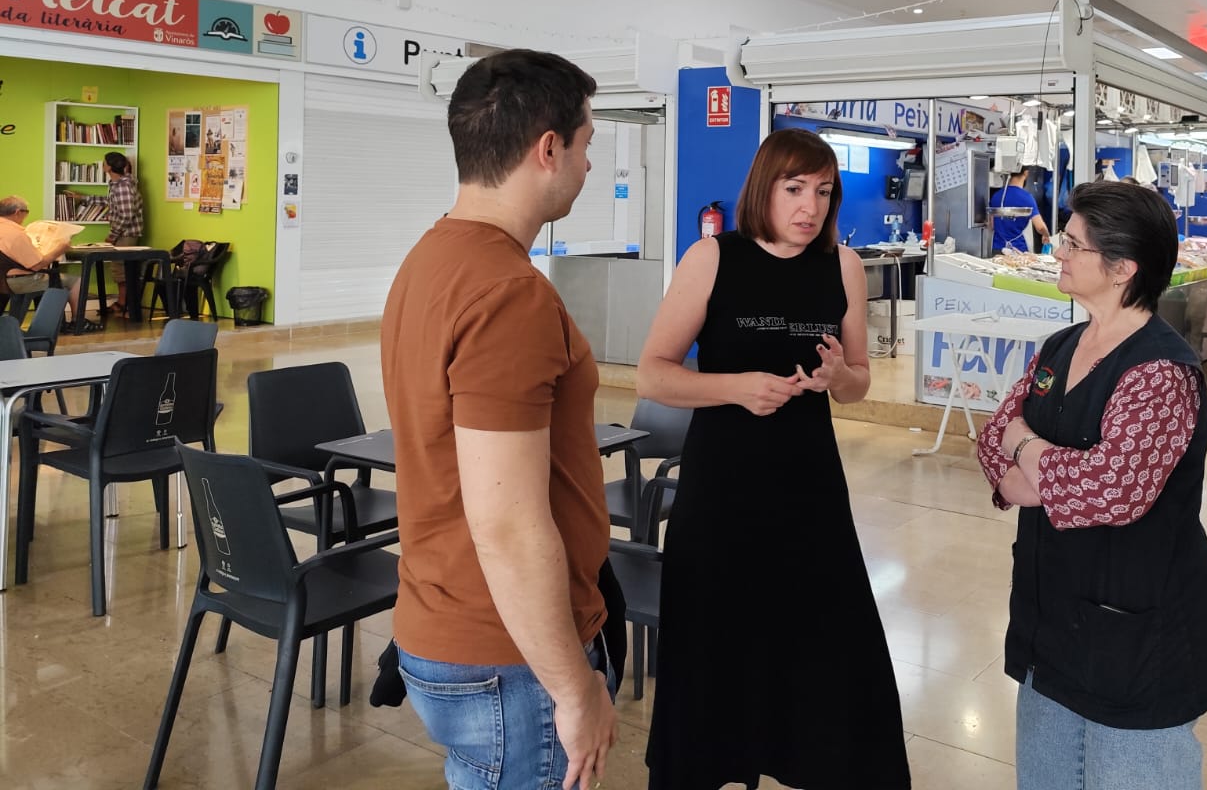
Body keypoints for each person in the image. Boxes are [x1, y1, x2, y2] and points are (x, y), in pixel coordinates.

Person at [636, 128, 911, 790]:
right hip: (723, 483)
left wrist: (836, 377)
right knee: (718, 635)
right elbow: (652, 374)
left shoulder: (841, 266)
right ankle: (717, 761)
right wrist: (736, 388)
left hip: (808, 481)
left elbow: (859, 380)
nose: (809, 207)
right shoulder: (712, 258)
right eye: (794, 190)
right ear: (765, 189)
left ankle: (807, 757)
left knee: (826, 638)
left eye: (822, 192)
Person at [381, 50, 618, 790]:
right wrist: (572, 687)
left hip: (445, 621)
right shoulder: (509, 292)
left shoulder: (430, 257)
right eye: (586, 146)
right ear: (548, 149)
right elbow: (509, 523)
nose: (587, 166)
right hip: (506, 657)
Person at [978, 181, 1207, 790]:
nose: (1058, 252)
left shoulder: (1160, 373)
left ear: (1122, 268)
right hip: (1052, 623)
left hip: (1140, 639)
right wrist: (1046, 465)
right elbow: (993, 437)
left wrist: (1029, 449)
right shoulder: (1060, 348)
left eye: (1072, 243)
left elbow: (1113, 489)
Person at [0, 197, 78, 323]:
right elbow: (37, 265)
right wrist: (61, 248)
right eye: (26, 212)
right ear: (17, 212)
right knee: (74, 281)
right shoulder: (16, 234)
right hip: (17, 281)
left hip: (4, 280)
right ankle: (77, 322)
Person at [104, 153, 145, 315]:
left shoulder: (122, 187)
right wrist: (86, 198)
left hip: (125, 234)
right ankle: (123, 304)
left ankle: (126, 305)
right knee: (120, 269)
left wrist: (113, 235)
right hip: (124, 233)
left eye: (104, 162)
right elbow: (112, 203)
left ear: (109, 167)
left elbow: (127, 215)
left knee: (122, 270)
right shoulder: (120, 184)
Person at [992, 167, 1050, 254]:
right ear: (1026, 173)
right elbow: (1040, 227)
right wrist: (1046, 235)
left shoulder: (996, 196)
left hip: (997, 249)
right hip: (1018, 250)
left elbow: (991, 225)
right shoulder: (1027, 198)